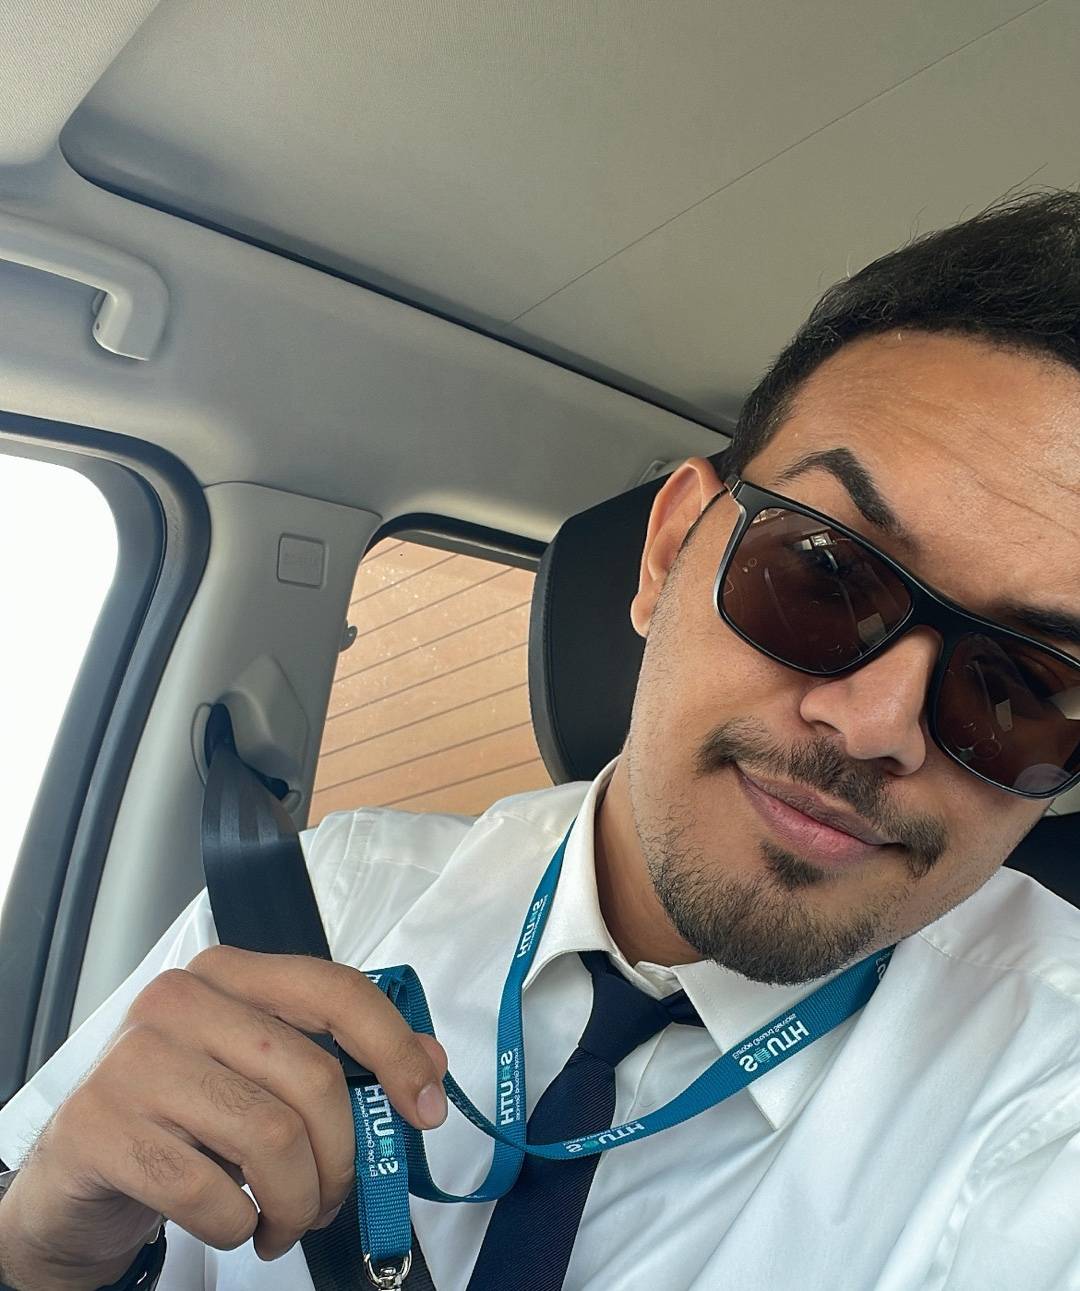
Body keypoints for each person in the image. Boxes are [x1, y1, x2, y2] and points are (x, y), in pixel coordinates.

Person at [1, 190, 1078, 1291]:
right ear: (667, 552)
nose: (875, 723)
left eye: (1029, 685)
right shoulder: (317, 903)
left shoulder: (1053, 1124)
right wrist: (43, 1252)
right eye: (823, 575)